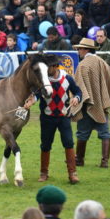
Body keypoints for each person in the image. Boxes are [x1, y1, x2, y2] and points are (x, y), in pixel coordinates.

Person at [24, 54, 81, 184]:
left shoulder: (67, 78)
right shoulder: (43, 80)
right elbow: (37, 94)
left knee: (68, 143)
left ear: (55, 66)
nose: (47, 69)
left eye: (49, 67)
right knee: (45, 145)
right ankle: (44, 173)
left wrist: (76, 98)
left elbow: (78, 91)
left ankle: (72, 173)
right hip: (47, 118)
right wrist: (32, 101)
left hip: (64, 117)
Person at [71, 38, 110, 168]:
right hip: (101, 104)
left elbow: (79, 88)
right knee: (105, 132)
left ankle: (79, 160)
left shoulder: (83, 65)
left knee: (82, 133)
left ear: (86, 49)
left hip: (87, 104)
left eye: (80, 48)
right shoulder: (102, 62)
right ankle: (105, 162)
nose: (78, 51)